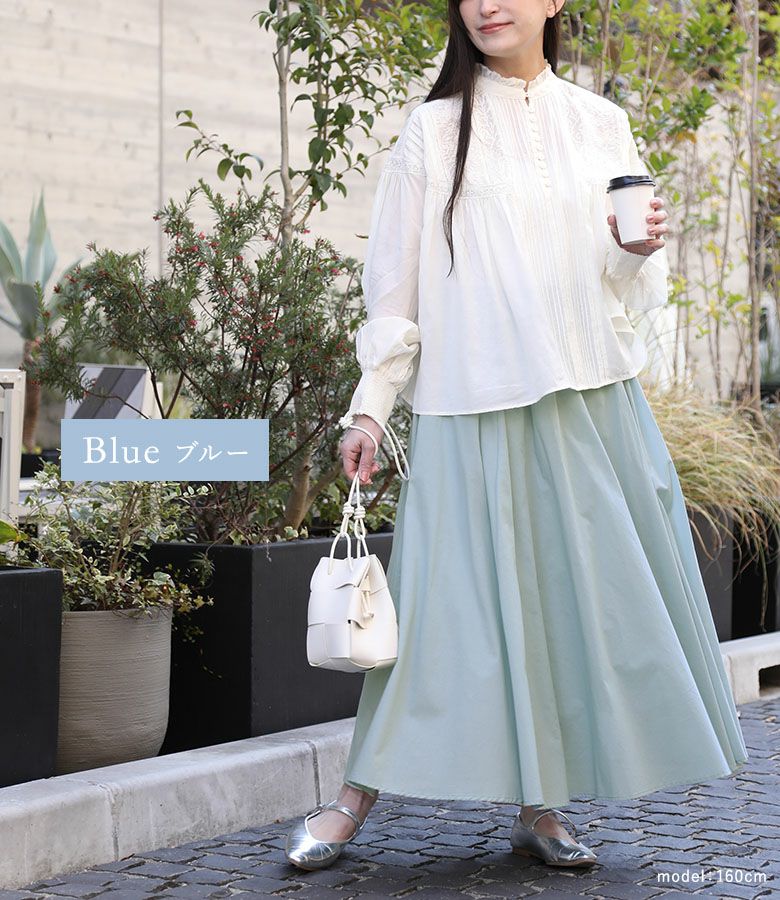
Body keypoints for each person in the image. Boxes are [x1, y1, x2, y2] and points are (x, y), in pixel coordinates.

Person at [285, 0, 749, 871]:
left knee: (568, 611)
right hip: (472, 398)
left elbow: (616, 279)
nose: (486, 6)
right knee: (433, 608)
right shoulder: (433, 130)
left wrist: (635, 250)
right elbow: (395, 283)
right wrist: (371, 406)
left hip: (590, 400)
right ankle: (352, 799)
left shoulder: (600, 122)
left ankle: (541, 809)